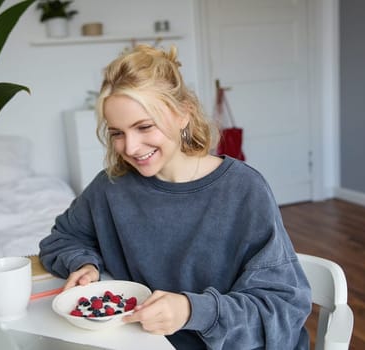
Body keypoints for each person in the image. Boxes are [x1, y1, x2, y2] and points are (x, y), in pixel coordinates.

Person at [39, 44, 311, 349]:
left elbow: (281, 310)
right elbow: (61, 240)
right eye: (117, 133)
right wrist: (83, 263)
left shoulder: (243, 190)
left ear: (184, 114)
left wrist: (193, 311)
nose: (130, 147)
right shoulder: (110, 187)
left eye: (144, 127)